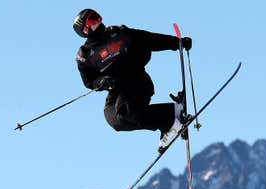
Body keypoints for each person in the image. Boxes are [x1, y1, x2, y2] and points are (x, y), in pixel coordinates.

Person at [73, 9, 192, 151]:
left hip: (137, 81)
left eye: (98, 17)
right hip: (117, 89)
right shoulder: (85, 56)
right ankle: (170, 114)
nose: (99, 21)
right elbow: (89, 81)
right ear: (85, 30)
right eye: (93, 20)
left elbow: (148, 39)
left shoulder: (118, 34)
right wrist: (101, 82)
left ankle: (170, 119)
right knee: (114, 119)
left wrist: (176, 43)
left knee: (125, 111)